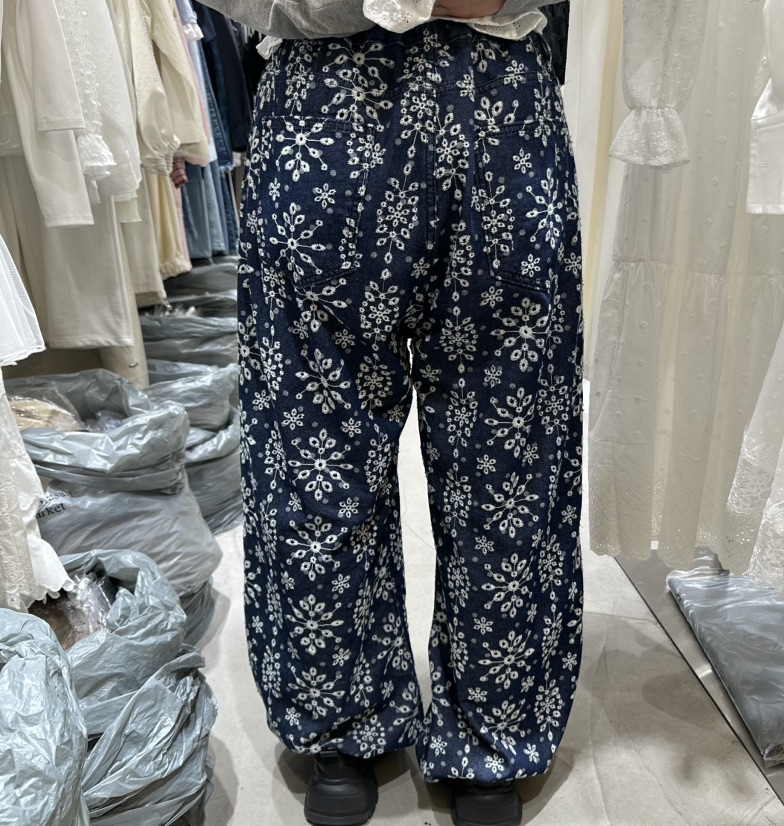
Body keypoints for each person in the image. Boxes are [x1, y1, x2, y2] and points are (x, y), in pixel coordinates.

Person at [202, 1, 583, 824]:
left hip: (499, 113)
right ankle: (341, 721)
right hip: (324, 109)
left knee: (509, 446)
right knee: (316, 444)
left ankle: (494, 726)